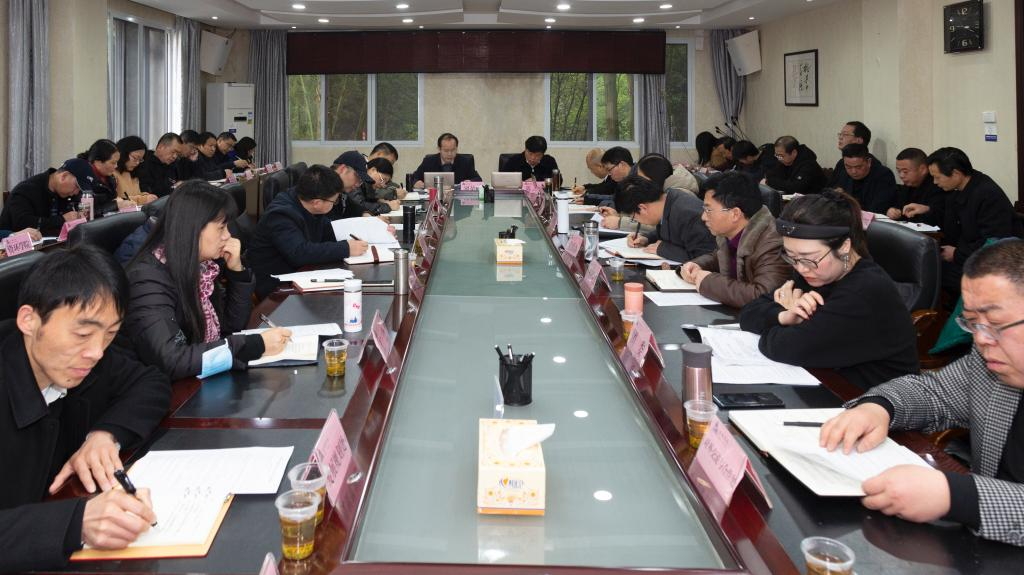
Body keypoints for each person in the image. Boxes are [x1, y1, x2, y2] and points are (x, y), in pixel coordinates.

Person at [818, 239, 1024, 546]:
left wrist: (959, 497)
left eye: (995, 323)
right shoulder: (991, 362)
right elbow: (933, 392)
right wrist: (879, 407)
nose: (981, 339)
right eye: (972, 323)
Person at [0, 245, 169, 571]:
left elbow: (150, 382)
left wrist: (105, 435)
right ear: (29, 320)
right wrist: (75, 522)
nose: (96, 352)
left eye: (110, 334)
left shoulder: (86, 358)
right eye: (82, 333)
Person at [738, 190, 919, 390]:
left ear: (844, 246)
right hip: (828, 383)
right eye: (791, 256)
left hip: (872, 398)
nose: (801, 268)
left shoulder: (865, 291)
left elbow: (784, 347)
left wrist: (777, 324)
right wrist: (785, 316)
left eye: (809, 258)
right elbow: (748, 313)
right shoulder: (816, 272)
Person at [122, 181, 292, 380]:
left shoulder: (202, 267)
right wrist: (253, 346)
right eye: (221, 228)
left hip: (200, 376)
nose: (228, 236)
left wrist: (237, 272)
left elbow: (230, 326)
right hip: (172, 389)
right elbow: (171, 359)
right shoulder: (147, 280)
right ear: (192, 228)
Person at [248, 165, 370, 298]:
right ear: (317, 203)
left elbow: (328, 230)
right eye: (334, 201)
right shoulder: (280, 215)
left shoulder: (306, 201)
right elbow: (300, 253)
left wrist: (364, 232)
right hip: (277, 286)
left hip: (302, 273)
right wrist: (346, 248)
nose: (334, 204)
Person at [681, 172, 790, 308]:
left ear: (735, 214)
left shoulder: (772, 244)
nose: (703, 217)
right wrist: (697, 265)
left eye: (708, 210)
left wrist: (709, 282)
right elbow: (719, 256)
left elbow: (764, 297)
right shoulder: (732, 233)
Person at [926, 147, 1023, 295]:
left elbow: (994, 242)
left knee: (930, 272)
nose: (935, 182)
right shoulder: (956, 189)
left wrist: (957, 254)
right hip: (965, 254)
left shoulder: (987, 194)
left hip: (994, 264)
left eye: (937, 177)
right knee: (925, 264)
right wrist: (927, 210)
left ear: (956, 173)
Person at [614, 175, 715, 263]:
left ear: (642, 208)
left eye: (633, 218)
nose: (637, 221)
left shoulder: (688, 214)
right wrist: (647, 238)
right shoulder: (667, 201)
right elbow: (673, 232)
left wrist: (664, 250)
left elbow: (706, 258)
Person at [0, 161, 87, 235]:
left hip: (53, 244)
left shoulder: (67, 193)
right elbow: (22, 224)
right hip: (15, 246)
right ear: (63, 176)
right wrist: (62, 220)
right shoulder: (26, 190)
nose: (76, 192)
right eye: (76, 186)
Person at [831, 143, 898, 214]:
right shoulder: (843, 172)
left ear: (869, 162)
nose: (853, 171)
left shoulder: (883, 175)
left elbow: (878, 208)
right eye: (848, 167)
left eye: (858, 167)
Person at [887, 147, 944, 225]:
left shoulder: (938, 185)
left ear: (923, 169)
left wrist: (927, 209)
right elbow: (899, 207)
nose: (901, 176)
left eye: (905, 171)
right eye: (898, 171)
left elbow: (938, 216)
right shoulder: (908, 185)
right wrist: (894, 211)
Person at [330, 151, 398, 217]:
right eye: (357, 176)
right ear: (342, 169)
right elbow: (359, 204)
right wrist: (386, 206)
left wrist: (365, 214)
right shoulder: (325, 189)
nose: (357, 185)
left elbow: (355, 208)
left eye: (360, 181)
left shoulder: (342, 194)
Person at [78, 139, 130, 213]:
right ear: (98, 162)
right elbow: (85, 212)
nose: (116, 166)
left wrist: (123, 201)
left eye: (117, 162)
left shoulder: (110, 177)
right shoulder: (82, 179)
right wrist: (115, 205)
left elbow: (110, 201)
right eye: (113, 163)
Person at [412, 133, 481, 187]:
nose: (450, 154)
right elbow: (413, 177)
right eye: (446, 150)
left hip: (458, 198)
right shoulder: (429, 161)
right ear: (439, 149)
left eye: (453, 150)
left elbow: (478, 180)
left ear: (456, 148)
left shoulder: (465, 161)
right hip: (434, 197)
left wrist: (470, 182)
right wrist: (416, 182)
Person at [113, 136, 158, 206]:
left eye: (140, 160)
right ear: (123, 153)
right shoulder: (112, 173)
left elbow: (136, 195)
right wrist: (143, 199)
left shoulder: (133, 174)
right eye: (135, 158)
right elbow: (116, 200)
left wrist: (146, 196)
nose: (137, 163)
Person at [136, 132, 181, 198]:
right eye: (173, 152)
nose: (175, 156)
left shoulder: (174, 165)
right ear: (161, 147)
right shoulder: (143, 162)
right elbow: (146, 192)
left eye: (178, 154)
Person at [828, 121, 871, 186]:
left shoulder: (870, 164)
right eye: (840, 134)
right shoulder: (841, 162)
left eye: (845, 134)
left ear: (859, 140)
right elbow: (829, 187)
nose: (840, 137)